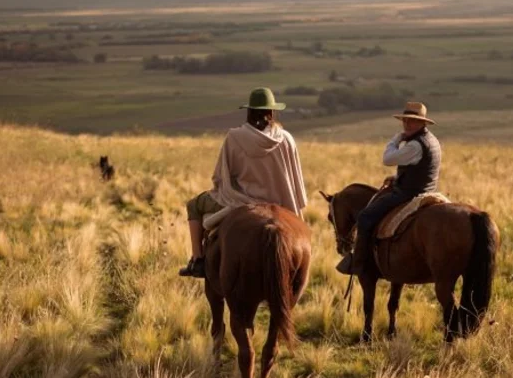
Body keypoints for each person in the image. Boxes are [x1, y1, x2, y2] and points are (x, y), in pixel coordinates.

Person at [179, 87, 308, 278]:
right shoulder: (287, 139)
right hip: (281, 204)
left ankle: (197, 260)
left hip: (242, 201)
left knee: (194, 205)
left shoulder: (235, 137)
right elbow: (296, 179)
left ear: (249, 111)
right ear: (271, 112)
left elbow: (220, 177)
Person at [336, 101, 442, 275]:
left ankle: (359, 264)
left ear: (423, 123)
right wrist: (398, 177)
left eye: (412, 121)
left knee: (365, 217)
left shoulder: (415, 145)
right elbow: (421, 168)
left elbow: (388, 159)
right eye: (405, 120)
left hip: (409, 194)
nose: (407, 124)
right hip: (426, 189)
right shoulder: (431, 140)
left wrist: (396, 139)